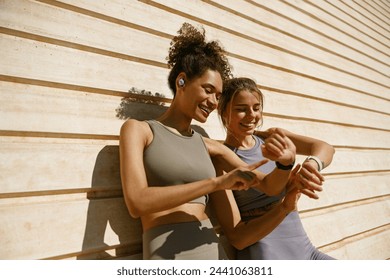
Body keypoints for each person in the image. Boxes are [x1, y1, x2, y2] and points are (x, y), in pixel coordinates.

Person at [119, 23, 309, 260]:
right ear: (181, 82)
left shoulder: (208, 145)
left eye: (218, 96)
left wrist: (285, 163)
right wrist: (216, 183)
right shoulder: (139, 130)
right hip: (167, 252)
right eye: (208, 90)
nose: (213, 101)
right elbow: (137, 202)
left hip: (212, 249)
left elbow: (269, 185)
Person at [213, 77, 336, 259]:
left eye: (256, 108)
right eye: (241, 109)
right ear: (223, 111)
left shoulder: (272, 138)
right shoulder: (221, 160)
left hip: (306, 252)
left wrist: (311, 165)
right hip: (267, 256)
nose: (251, 115)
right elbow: (238, 239)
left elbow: (326, 148)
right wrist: (284, 206)